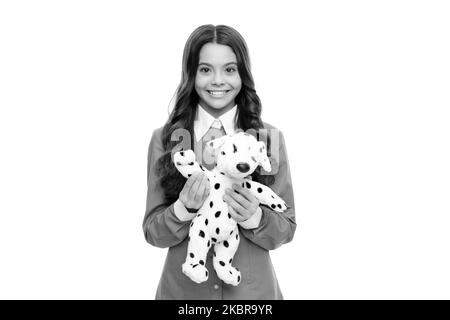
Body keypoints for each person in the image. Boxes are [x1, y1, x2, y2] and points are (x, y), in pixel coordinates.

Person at [143, 24, 296, 300]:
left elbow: (287, 229)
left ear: (242, 74)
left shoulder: (268, 139)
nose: (217, 80)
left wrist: (255, 217)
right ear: (191, 74)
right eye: (205, 69)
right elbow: (154, 233)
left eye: (229, 69)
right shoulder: (165, 140)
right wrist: (182, 209)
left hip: (253, 297)